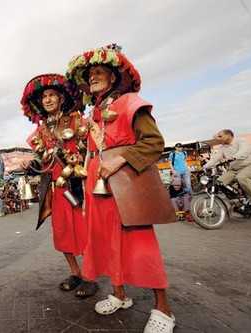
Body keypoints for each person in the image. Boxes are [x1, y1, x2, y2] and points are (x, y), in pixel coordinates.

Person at [67, 44, 175, 332]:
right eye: (89, 75)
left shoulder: (130, 102)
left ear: (113, 77)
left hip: (128, 187)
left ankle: (164, 309)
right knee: (105, 242)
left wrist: (119, 160)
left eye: (99, 72)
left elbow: (153, 143)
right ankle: (119, 293)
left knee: (141, 246)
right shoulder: (95, 113)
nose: (93, 77)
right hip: (99, 190)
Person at [20, 73, 97, 298]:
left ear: (61, 98)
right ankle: (76, 273)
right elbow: (42, 161)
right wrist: (30, 163)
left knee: (85, 232)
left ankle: (91, 277)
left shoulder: (76, 120)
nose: (48, 100)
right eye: (44, 97)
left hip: (78, 185)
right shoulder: (41, 131)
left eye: (52, 95)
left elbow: (90, 146)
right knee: (62, 233)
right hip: (55, 189)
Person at [204, 129, 251, 209]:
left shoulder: (241, 141)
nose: (218, 139)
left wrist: (234, 157)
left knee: (242, 177)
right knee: (219, 182)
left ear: (228, 135)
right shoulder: (222, 148)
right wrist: (205, 167)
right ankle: (238, 200)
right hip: (234, 170)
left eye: (220, 136)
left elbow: (244, 151)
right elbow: (214, 159)